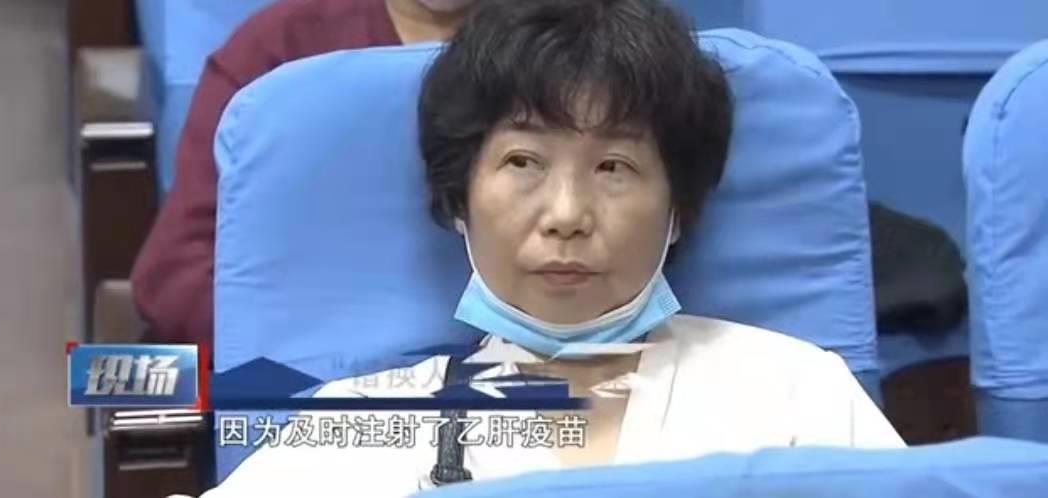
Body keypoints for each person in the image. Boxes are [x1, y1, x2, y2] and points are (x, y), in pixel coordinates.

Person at [173, 1, 905, 496]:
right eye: (523, 162)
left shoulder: (794, 394)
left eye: (613, 167)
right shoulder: (366, 425)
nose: (566, 215)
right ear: (459, 199)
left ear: (679, 210)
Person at [131, 0, 479, 358]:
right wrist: (282, 351)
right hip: (291, 366)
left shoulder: (519, 50)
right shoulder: (277, 48)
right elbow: (174, 273)